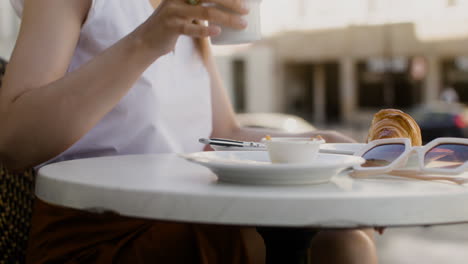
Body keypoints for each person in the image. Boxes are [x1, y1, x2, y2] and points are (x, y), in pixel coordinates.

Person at [0, 0, 378, 263]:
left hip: (192, 216)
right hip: (99, 239)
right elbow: (13, 142)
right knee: (340, 247)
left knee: (344, 235)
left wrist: (323, 145)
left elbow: (222, 133)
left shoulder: (190, 12)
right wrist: (146, 41)